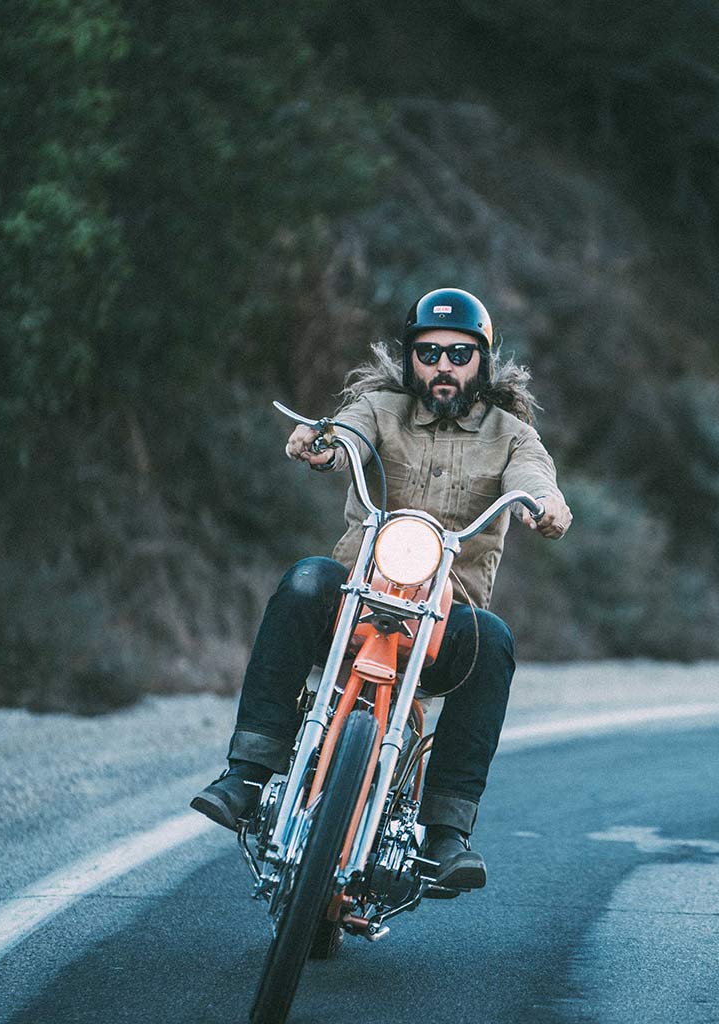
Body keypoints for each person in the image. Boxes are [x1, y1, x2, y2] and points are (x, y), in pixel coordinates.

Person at [191, 287, 571, 890]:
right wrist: (319, 446)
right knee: (305, 578)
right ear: (411, 357)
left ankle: (446, 834)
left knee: (495, 642)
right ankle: (248, 773)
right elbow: (345, 437)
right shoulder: (379, 407)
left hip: (446, 617)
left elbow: (536, 478)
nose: (442, 365)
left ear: (483, 361)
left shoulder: (512, 435)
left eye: (458, 353)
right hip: (355, 596)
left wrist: (547, 505)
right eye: (429, 352)